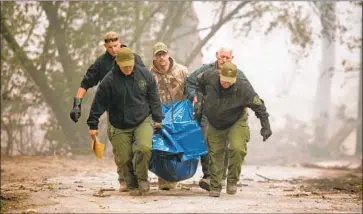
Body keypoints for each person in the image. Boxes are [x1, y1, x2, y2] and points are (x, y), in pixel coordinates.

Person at [70, 31, 145, 192]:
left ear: (120, 42)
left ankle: (139, 178)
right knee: (120, 147)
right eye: (110, 47)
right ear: (105, 46)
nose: (114, 49)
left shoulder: (134, 58)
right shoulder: (101, 63)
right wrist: (77, 103)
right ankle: (123, 179)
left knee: (138, 146)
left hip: (136, 108)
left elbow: (146, 80)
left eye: (116, 45)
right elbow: (86, 82)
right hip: (115, 110)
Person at [86, 47, 164, 196]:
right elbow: (98, 103)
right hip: (119, 123)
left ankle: (142, 179)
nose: (128, 68)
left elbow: (154, 97)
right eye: (124, 66)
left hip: (142, 118)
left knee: (144, 148)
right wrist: (93, 124)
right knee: (124, 158)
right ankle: (132, 183)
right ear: (118, 63)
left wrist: (158, 117)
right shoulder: (109, 81)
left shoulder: (145, 75)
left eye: (130, 65)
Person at [197, 61, 272, 197]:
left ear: (235, 78)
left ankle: (232, 180)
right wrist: (205, 100)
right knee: (215, 153)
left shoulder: (244, 87)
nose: (226, 83)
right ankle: (215, 185)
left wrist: (265, 125)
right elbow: (198, 82)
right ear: (220, 75)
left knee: (237, 148)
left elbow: (259, 105)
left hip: (236, 120)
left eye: (230, 81)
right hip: (215, 121)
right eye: (224, 80)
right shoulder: (209, 76)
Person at [186, 45, 248, 191]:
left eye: (227, 57)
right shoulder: (206, 70)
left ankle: (221, 177)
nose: (224, 60)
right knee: (206, 140)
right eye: (222, 57)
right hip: (209, 112)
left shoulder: (238, 73)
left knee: (227, 144)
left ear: (232, 59)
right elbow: (190, 81)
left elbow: (247, 91)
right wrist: (193, 95)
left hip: (230, 115)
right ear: (217, 56)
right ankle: (208, 175)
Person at [149, 42, 189, 190]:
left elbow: (191, 91)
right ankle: (163, 178)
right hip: (160, 116)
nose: (161, 58)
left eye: (163, 54)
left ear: (168, 54)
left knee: (178, 148)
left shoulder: (182, 71)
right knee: (162, 148)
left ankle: (175, 177)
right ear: (154, 57)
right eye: (158, 55)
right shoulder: (149, 75)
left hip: (179, 115)